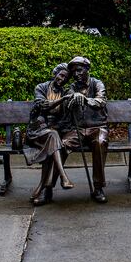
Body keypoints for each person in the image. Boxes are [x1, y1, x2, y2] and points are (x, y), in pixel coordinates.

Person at [61, 56, 110, 203]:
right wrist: (73, 96)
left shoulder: (97, 83)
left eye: (79, 70)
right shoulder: (72, 87)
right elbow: (67, 98)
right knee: (60, 146)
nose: (76, 74)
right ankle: (47, 186)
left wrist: (86, 99)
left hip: (97, 127)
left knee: (100, 142)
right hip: (78, 129)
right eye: (74, 71)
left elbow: (101, 100)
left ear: (87, 69)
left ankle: (98, 187)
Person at [26, 63, 75, 206]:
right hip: (37, 130)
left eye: (66, 78)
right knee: (53, 138)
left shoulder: (65, 92)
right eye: (61, 75)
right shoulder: (41, 87)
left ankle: (42, 188)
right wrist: (63, 99)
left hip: (54, 132)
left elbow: (65, 119)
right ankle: (63, 176)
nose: (63, 79)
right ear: (55, 74)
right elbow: (44, 106)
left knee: (53, 141)